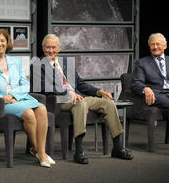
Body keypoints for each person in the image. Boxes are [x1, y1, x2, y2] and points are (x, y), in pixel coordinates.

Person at [32, 34, 132, 164]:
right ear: (42, 47)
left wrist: (99, 91)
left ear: (59, 48)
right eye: (47, 47)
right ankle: (78, 151)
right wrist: (69, 93)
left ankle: (117, 148)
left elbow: (80, 84)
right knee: (80, 104)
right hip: (58, 100)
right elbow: (44, 87)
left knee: (108, 104)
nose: (51, 50)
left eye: (53, 47)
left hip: (79, 97)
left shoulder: (65, 63)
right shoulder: (37, 64)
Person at [0, 29, 54, 168]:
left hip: (18, 98)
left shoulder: (15, 61)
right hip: (0, 103)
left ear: (7, 43)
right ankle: (39, 152)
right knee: (29, 113)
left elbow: (25, 84)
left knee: (41, 108)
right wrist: (4, 98)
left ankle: (40, 151)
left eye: (2, 41)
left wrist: (13, 95)